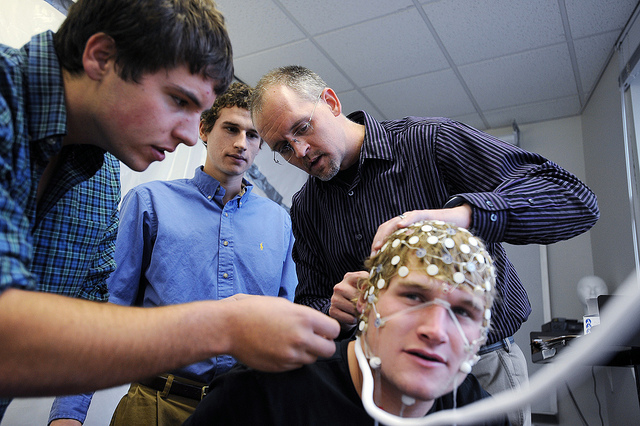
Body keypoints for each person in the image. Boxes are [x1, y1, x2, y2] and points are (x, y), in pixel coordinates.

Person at [0, 0, 339, 419]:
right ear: (101, 57)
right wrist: (223, 327)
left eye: (253, 136)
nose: (184, 134)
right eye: (178, 100)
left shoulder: (100, 181)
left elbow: (93, 310)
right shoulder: (6, 102)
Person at [250, 65, 600, 426]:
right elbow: (312, 302)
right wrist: (333, 310)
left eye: (302, 129)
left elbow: (573, 199)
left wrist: (457, 217)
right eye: (284, 148)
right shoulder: (306, 208)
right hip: (377, 384)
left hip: (479, 369)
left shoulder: (430, 143)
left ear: (331, 102)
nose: (301, 151)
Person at [48, 82, 298, 425]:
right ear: (204, 129)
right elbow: (107, 308)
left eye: (253, 135)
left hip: (242, 410)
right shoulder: (150, 203)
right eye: (231, 128)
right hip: (154, 405)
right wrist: (68, 414)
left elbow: (285, 325)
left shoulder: (279, 223)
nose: (241, 143)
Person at [184, 220, 510, 425]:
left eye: (464, 312)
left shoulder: (483, 415)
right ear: (366, 299)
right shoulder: (262, 395)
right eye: (413, 297)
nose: (436, 330)